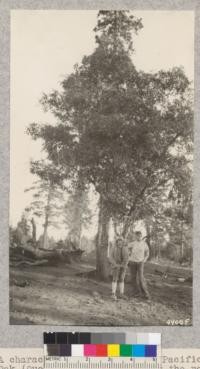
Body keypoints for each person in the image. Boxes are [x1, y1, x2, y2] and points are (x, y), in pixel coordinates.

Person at [128, 231, 150, 300]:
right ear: (135, 236)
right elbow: (125, 247)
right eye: (136, 236)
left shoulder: (144, 244)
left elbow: (147, 253)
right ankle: (136, 293)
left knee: (141, 278)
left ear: (141, 236)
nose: (138, 237)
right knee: (133, 278)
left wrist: (144, 260)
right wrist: (129, 256)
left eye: (139, 236)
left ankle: (145, 294)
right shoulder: (132, 243)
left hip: (140, 262)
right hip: (132, 262)